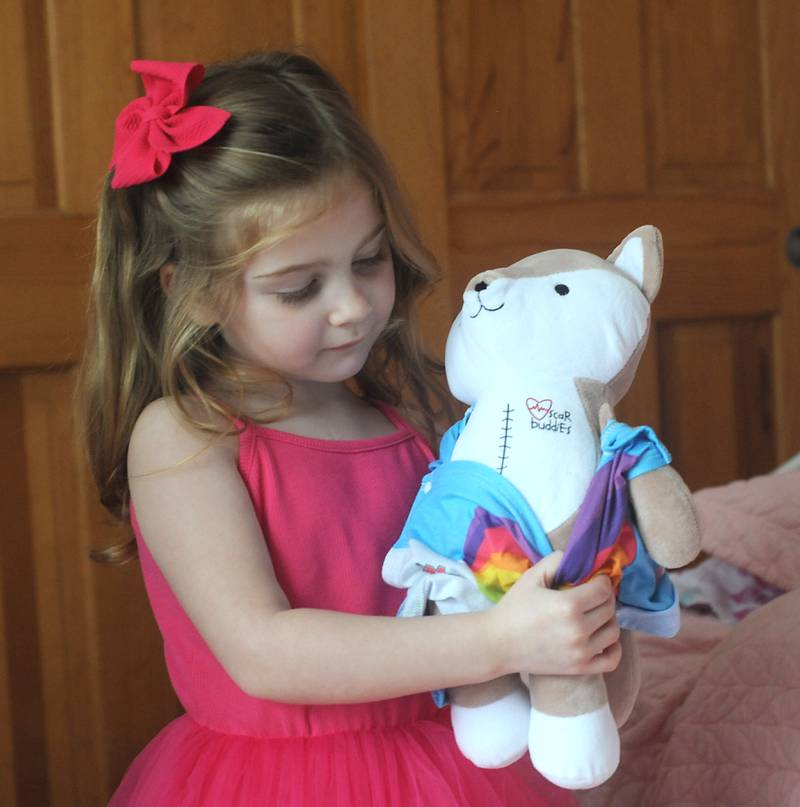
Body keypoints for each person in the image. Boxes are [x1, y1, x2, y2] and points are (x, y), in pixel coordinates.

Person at [78, 51, 622, 806]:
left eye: (369, 260)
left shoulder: (407, 419)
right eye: (300, 287)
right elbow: (263, 651)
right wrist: (498, 641)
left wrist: (550, 604)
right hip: (268, 782)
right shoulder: (185, 438)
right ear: (194, 292)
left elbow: (469, 574)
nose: (354, 306)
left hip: (451, 764)